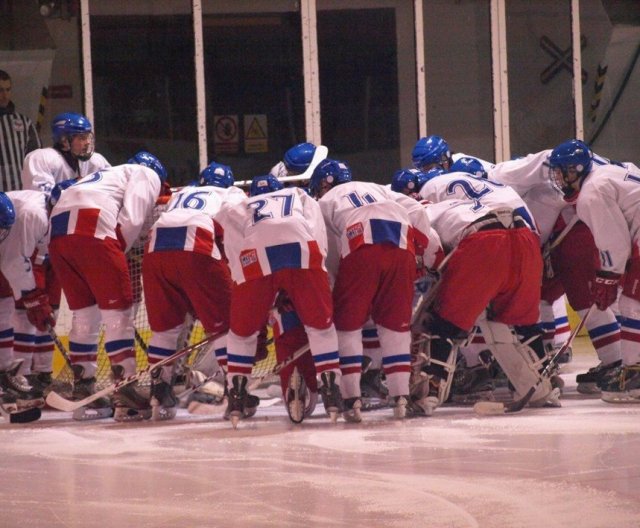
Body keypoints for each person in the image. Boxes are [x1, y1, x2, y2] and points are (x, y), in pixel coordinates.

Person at [415, 170, 556, 414]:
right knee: (519, 323)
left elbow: (434, 254)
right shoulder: (466, 200)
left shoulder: (420, 212)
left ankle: (430, 392)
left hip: (483, 243)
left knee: (445, 324)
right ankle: (543, 386)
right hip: (524, 237)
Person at [488, 143, 623, 392]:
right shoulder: (533, 184)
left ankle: (616, 362)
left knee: (586, 298)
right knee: (542, 296)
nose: (559, 178)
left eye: (565, 172)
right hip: (556, 240)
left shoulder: (515, 179)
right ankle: (546, 360)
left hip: (575, 234)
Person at [311, 159, 437, 422]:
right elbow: (416, 210)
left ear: (322, 185)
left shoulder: (323, 203)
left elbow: (330, 253)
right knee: (395, 326)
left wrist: (335, 288)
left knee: (348, 326)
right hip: (401, 239)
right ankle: (401, 398)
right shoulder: (377, 187)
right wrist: (424, 255)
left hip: (361, 241)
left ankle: (351, 399)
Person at [215, 173, 343, 427]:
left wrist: (249, 287)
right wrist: (313, 272)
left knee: (241, 334)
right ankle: (331, 390)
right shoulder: (299, 194)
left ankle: (237, 395)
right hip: (302, 249)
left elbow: (233, 245)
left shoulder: (240, 204)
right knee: (321, 328)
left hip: (256, 256)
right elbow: (317, 232)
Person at [47, 151, 166, 421]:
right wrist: (115, 255)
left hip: (59, 232)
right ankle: (125, 389)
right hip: (93, 228)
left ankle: (83, 389)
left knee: (85, 314)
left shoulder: (104, 175)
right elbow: (134, 218)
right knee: (117, 312)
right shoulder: (145, 173)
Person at [143, 162, 245, 419]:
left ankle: (159, 390)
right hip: (197, 246)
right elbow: (241, 234)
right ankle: (235, 392)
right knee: (225, 326)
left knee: (164, 330)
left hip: (155, 250)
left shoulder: (181, 194)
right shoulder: (231, 194)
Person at [546, 139, 640, 403]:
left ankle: (634, 374)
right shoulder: (611, 171)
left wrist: (607, 277)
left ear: (575, 170)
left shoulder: (591, 192)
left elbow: (615, 242)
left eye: (560, 171)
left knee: (632, 303)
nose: (558, 178)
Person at [0, 190, 52, 409]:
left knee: (4, 308)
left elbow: (14, 262)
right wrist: (32, 297)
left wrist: (32, 297)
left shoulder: (29, 212)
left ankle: (4, 380)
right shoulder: (33, 212)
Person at [21, 112, 110, 194]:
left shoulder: (96, 161)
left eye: (88, 137)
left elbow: (113, 187)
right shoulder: (40, 158)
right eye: (82, 138)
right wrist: (73, 186)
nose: (87, 142)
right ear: (64, 141)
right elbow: (40, 198)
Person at [0, 70, 42, 191]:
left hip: (19, 191)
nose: (5, 95)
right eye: (0, 90)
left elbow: (36, 158)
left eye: (8, 90)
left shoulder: (24, 122)